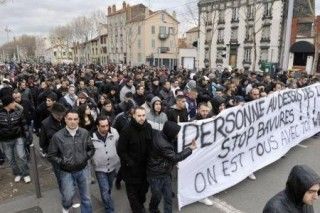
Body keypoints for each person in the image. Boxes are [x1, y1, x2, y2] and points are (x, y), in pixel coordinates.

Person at [48, 109, 95, 213]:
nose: (72, 121)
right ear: (65, 120)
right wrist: (62, 162)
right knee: (68, 195)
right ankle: (66, 206)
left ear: (79, 120)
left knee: (86, 197)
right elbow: (51, 155)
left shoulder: (84, 133)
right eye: (70, 119)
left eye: (75, 119)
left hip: (83, 169)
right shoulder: (58, 136)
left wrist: (84, 158)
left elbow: (91, 149)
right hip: (66, 171)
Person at [147, 121, 196, 213]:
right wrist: (190, 149)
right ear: (171, 132)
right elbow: (175, 157)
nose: (178, 134)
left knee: (168, 197)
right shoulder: (163, 144)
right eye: (177, 132)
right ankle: (153, 209)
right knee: (157, 196)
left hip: (165, 171)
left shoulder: (162, 135)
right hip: (156, 174)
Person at [117, 106, 153, 213]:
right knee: (133, 194)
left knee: (143, 191)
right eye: (139, 116)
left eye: (143, 115)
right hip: (131, 170)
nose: (142, 118)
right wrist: (130, 163)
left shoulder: (148, 127)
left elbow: (150, 145)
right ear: (133, 116)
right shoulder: (126, 131)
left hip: (145, 168)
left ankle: (141, 204)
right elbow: (121, 151)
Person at [91, 115, 120, 213]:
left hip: (112, 166)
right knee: (105, 190)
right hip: (100, 168)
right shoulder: (91, 137)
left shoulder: (114, 132)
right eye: (102, 126)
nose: (106, 128)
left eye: (107, 125)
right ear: (97, 126)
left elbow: (119, 145)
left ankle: (106, 200)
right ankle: (109, 209)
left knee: (109, 188)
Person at [0, 95, 31, 183]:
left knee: (21, 156)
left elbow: (24, 124)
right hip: (5, 141)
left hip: (18, 138)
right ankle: (18, 173)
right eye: (13, 102)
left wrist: (27, 135)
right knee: (10, 159)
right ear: (8, 104)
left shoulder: (18, 112)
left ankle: (25, 174)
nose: (15, 103)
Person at [39, 103, 66, 192]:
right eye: (58, 115)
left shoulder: (65, 120)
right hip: (55, 154)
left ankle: (71, 190)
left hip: (68, 151)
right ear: (53, 113)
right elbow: (42, 142)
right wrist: (49, 153)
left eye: (62, 115)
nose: (60, 117)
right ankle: (64, 193)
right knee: (60, 175)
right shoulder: (45, 124)